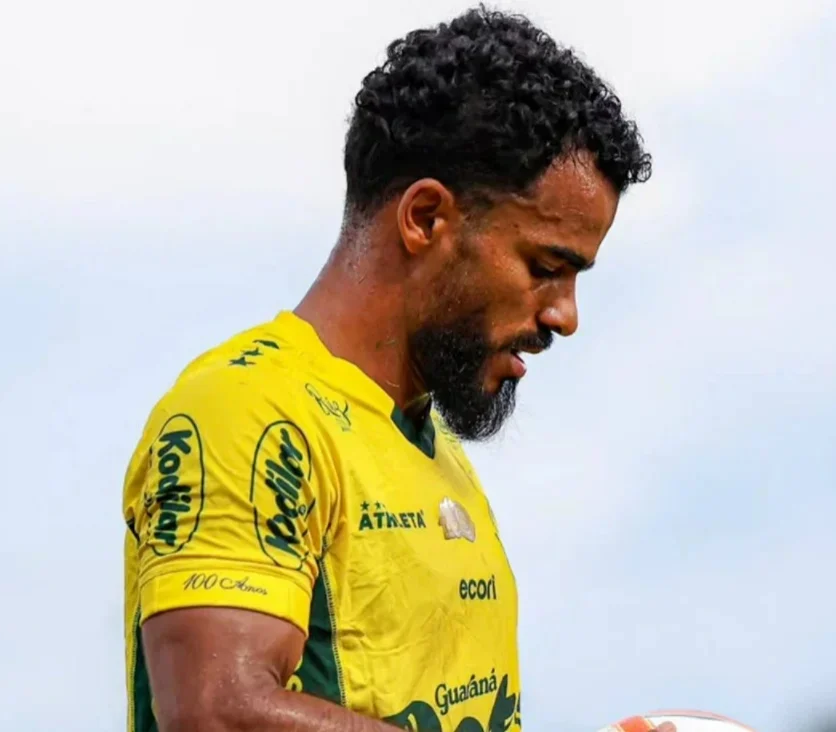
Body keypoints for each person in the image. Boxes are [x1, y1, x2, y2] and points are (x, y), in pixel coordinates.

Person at [121, 6, 652, 731]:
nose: (565, 316)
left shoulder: (434, 450)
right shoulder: (247, 412)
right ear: (425, 218)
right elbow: (216, 712)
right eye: (545, 267)